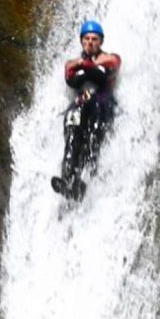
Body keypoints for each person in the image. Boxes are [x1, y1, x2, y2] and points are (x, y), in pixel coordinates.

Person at [52, 20, 121, 199]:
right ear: (81, 41)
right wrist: (85, 65)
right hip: (81, 103)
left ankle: (83, 179)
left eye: (94, 39)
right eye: (87, 39)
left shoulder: (110, 58)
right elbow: (69, 74)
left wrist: (85, 66)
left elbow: (112, 65)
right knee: (72, 135)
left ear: (101, 41)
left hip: (101, 102)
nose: (90, 42)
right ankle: (67, 178)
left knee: (94, 137)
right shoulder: (73, 63)